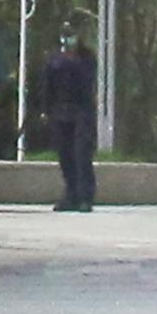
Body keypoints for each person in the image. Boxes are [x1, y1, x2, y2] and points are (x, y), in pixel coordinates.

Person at [38, 15, 100, 214]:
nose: (68, 40)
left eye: (71, 35)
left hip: (81, 111)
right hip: (59, 111)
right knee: (65, 155)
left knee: (82, 154)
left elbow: (87, 81)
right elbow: (47, 86)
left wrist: (72, 59)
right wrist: (45, 110)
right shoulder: (54, 59)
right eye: (65, 36)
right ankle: (70, 194)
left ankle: (85, 197)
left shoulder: (87, 57)